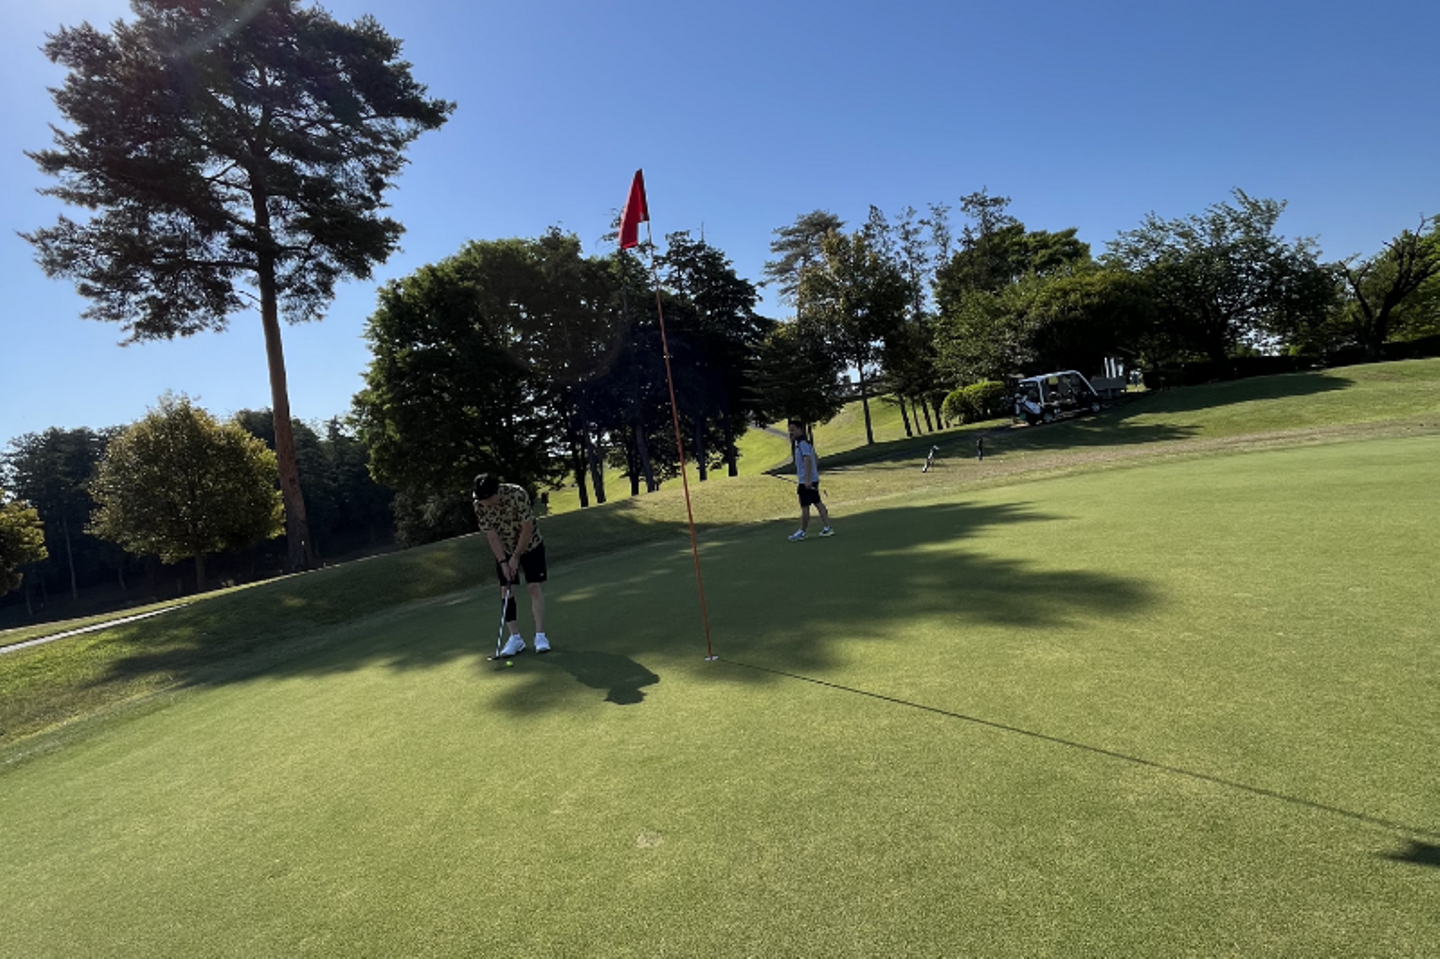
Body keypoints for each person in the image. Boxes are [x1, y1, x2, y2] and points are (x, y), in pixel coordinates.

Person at [473, 473, 550, 656]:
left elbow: (527, 527)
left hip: (531, 544)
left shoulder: (517, 494)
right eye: (480, 498)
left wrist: (515, 557)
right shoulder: (479, 504)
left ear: (496, 492)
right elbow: (491, 534)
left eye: (486, 498)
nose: (483, 502)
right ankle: (515, 639)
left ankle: (540, 636)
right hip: (504, 548)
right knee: (506, 590)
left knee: (533, 587)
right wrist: (503, 561)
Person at [787, 420, 833, 541]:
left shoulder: (802, 444)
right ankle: (827, 528)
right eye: (789, 430)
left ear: (800, 430)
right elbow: (815, 459)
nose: (790, 432)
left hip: (806, 482)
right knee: (818, 502)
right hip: (812, 480)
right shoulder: (805, 444)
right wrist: (813, 474)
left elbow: (808, 460)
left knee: (805, 506)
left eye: (793, 430)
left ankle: (802, 531)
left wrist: (807, 479)